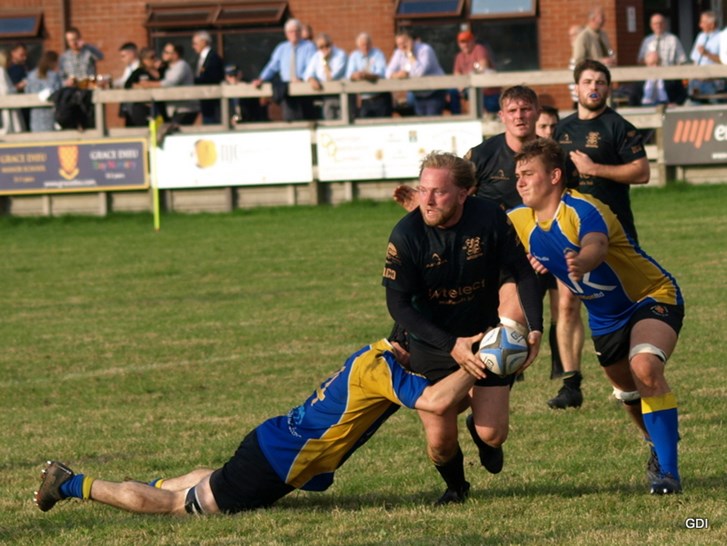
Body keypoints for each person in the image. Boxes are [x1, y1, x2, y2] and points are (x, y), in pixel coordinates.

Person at [34, 332, 485, 515]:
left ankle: (143, 484)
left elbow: (443, 402)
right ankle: (70, 484)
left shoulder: (377, 358)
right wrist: (483, 364)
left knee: (204, 482)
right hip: (277, 460)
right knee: (178, 507)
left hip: (275, 445)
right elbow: (437, 399)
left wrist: (474, 378)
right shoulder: (384, 370)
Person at [510, 137, 684, 495]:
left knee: (645, 367)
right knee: (628, 393)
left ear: (555, 176)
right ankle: (657, 441)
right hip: (605, 318)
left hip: (651, 295)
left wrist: (581, 260)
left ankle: (668, 473)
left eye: (528, 174)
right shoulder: (521, 220)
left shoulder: (583, 208)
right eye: (517, 176)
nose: (520, 182)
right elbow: (479, 229)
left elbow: (596, 245)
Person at [383, 151, 543, 505]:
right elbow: (398, 304)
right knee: (440, 442)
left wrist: (536, 327)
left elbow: (522, 271)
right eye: (423, 189)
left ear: (463, 193)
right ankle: (456, 488)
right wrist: (449, 343)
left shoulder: (489, 217)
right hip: (432, 341)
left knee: (492, 434)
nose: (427, 200)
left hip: (486, 337)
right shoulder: (407, 234)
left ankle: (479, 429)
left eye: (438, 192)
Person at [551, 59, 650, 409]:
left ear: (608, 88)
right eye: (588, 81)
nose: (594, 87)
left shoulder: (619, 127)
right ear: (576, 87)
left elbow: (641, 172)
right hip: (570, 231)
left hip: (614, 233)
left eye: (600, 82)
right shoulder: (561, 130)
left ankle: (629, 375)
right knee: (567, 302)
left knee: (621, 304)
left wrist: (596, 169)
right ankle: (571, 384)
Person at [252, 19, 317, 122]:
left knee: (306, 119)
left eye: (296, 31)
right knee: (289, 118)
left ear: (300, 32)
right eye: (291, 31)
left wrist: (302, 79)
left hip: (304, 87)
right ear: (286, 34)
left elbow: (312, 67)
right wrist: (261, 78)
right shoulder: (281, 48)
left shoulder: (309, 47)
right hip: (287, 89)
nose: (294, 34)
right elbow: (272, 66)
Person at [386, 30, 446, 116]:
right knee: (420, 122)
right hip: (418, 94)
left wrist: (410, 54)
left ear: (411, 40)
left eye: (404, 43)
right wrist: (398, 75)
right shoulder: (398, 53)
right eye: (399, 44)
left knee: (432, 121)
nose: (401, 46)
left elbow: (419, 73)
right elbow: (387, 72)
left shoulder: (425, 50)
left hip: (434, 91)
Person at [135, 43, 198, 126]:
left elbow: (170, 82)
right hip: (175, 109)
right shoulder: (169, 67)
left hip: (184, 109)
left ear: (175, 54)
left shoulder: (181, 65)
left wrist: (148, 84)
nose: (163, 54)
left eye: (167, 52)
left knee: (175, 131)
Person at [345, 32, 392, 118]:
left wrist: (366, 76)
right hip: (365, 99)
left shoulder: (377, 53)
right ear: (358, 46)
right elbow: (349, 75)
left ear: (371, 44)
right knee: (365, 122)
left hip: (380, 96)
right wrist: (356, 75)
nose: (365, 47)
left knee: (383, 123)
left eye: (367, 44)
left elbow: (381, 73)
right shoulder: (354, 56)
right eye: (363, 45)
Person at [452, 30, 499, 114]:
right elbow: (456, 74)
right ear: (459, 44)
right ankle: (456, 116)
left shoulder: (479, 48)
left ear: (473, 41)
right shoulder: (459, 56)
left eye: (467, 41)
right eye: (462, 42)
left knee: (492, 115)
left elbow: (483, 67)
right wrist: (461, 86)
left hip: (488, 92)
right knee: (452, 92)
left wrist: (466, 81)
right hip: (470, 90)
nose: (465, 45)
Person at [304, 33, 347, 120]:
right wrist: (311, 79)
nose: (324, 48)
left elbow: (331, 77)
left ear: (331, 44)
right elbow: (307, 74)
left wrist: (325, 61)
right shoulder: (317, 56)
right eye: (321, 47)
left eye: (327, 45)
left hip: (342, 95)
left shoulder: (340, 55)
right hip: (326, 96)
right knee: (328, 120)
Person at [688, 11, 724, 103]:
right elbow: (695, 60)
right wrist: (692, 79)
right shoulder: (701, 36)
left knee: (716, 108)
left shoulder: (722, 37)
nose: (700, 25)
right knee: (695, 108)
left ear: (712, 25)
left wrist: (708, 54)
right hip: (698, 81)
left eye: (703, 22)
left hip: (714, 82)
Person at [123, 47, 163, 127]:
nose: (155, 59)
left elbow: (168, 82)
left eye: (156, 56)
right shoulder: (139, 71)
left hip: (160, 106)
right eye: (152, 57)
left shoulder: (162, 70)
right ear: (144, 60)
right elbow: (127, 84)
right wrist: (141, 86)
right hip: (144, 107)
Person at [25, 51, 63, 132]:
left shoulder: (31, 75)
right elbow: (58, 91)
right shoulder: (54, 76)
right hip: (51, 113)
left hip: (36, 114)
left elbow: (27, 91)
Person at [192, 31, 225, 124]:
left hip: (212, 102)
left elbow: (212, 78)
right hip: (204, 101)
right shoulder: (199, 58)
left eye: (195, 43)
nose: (193, 46)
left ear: (203, 42)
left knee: (212, 123)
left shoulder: (213, 58)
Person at [0, 49, 26, 134]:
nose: (10, 62)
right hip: (6, 105)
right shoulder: (1, 71)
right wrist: (18, 86)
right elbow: (5, 90)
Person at [115, 42, 140, 126]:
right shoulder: (128, 67)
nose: (122, 59)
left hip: (137, 103)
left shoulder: (139, 66)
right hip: (129, 103)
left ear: (131, 54)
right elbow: (124, 80)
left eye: (123, 56)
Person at [7, 43, 30, 128]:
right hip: (16, 107)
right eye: (21, 55)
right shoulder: (8, 70)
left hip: (27, 104)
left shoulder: (24, 68)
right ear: (13, 53)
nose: (24, 58)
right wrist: (19, 86)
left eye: (25, 55)